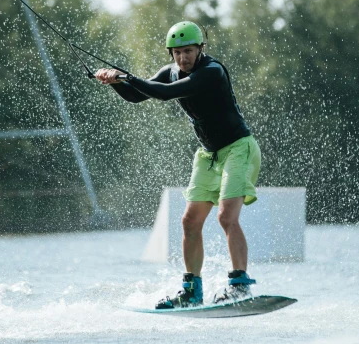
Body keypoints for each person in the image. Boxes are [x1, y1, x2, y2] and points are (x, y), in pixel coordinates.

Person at [95, 21, 262, 309]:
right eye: (177, 53)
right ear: (171, 53)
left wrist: (125, 76)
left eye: (189, 51)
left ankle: (239, 286)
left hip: (238, 148)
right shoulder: (171, 71)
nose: (183, 58)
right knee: (189, 221)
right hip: (209, 155)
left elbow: (165, 93)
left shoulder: (212, 71)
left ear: (200, 49)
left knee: (226, 217)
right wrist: (115, 83)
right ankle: (191, 292)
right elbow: (138, 95)